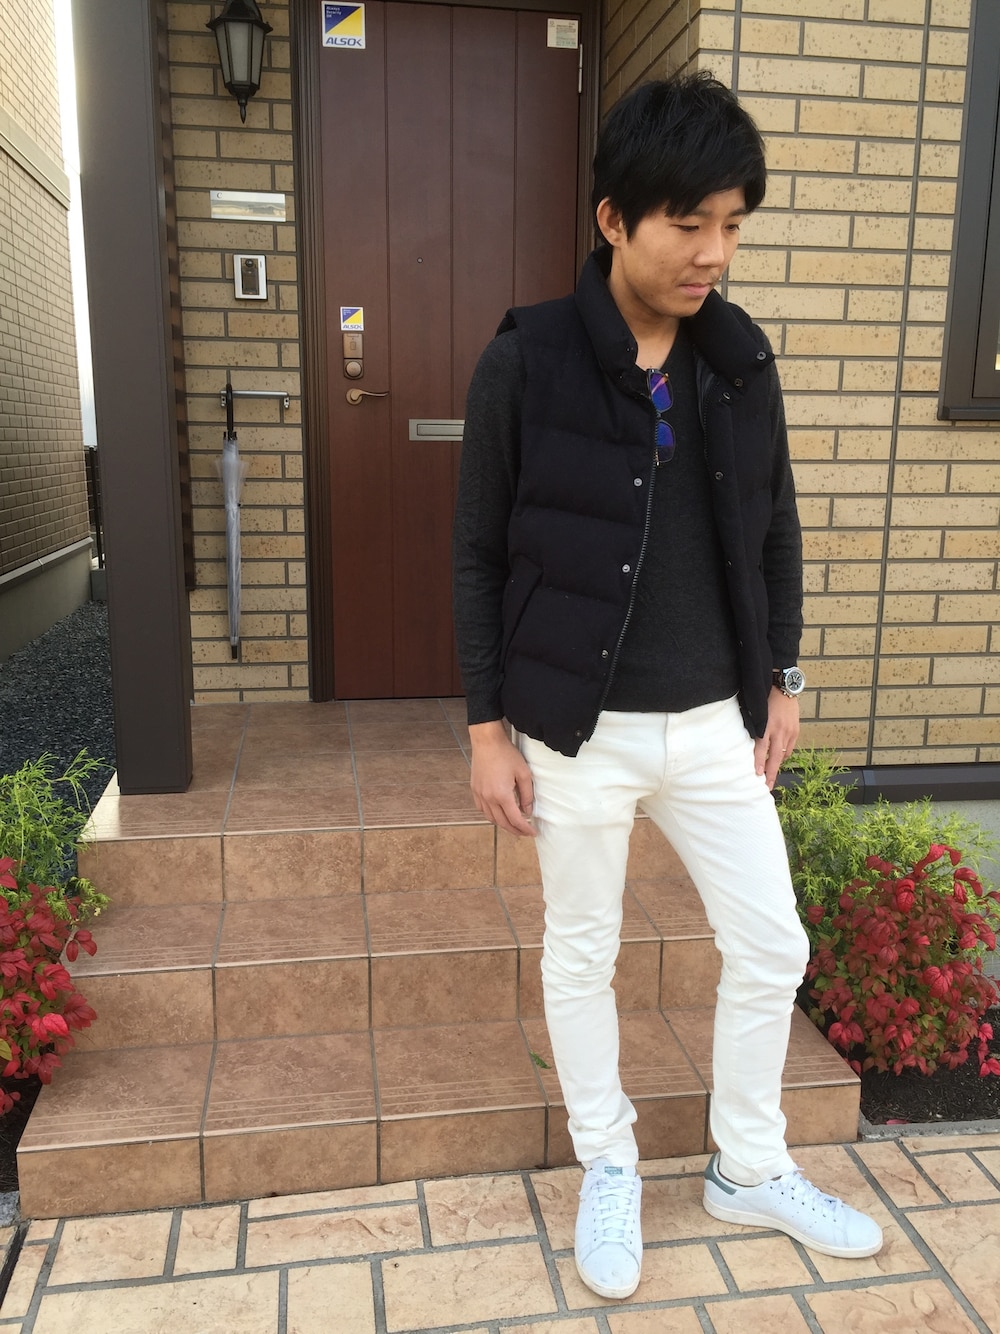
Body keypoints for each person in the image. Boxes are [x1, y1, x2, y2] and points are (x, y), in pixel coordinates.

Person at [452, 71, 882, 1302]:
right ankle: (608, 1161)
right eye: (688, 223)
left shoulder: (738, 362)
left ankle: (748, 1164)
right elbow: (478, 551)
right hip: (574, 730)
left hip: (713, 723)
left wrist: (782, 678)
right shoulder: (527, 358)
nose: (713, 253)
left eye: (732, 224)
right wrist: (485, 730)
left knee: (771, 940)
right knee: (580, 949)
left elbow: (777, 529)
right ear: (613, 220)